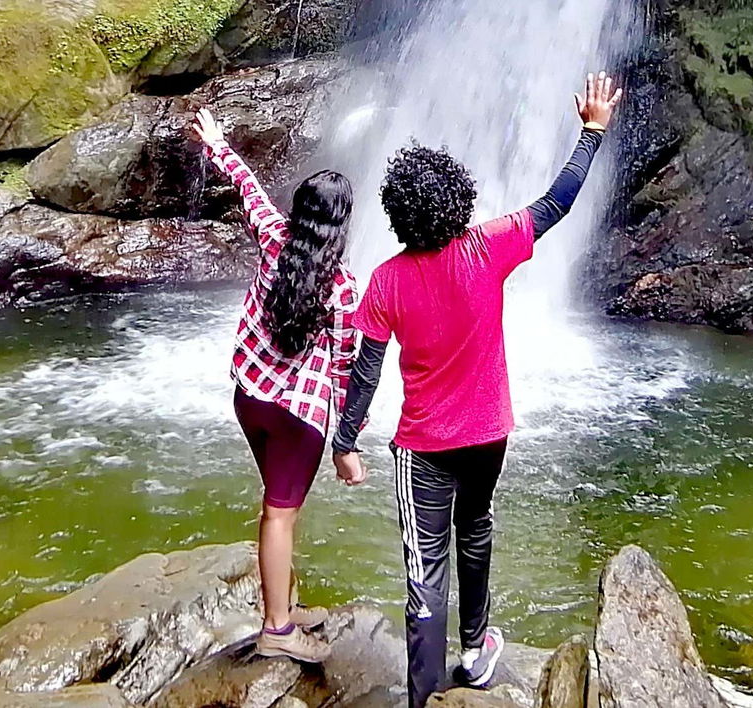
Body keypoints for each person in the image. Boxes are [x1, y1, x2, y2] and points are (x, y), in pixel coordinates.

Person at [330, 73, 625, 706]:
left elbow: (366, 369)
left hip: (425, 448)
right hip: (491, 433)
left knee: (423, 568)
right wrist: (591, 131)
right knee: (477, 528)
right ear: (459, 200)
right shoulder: (487, 247)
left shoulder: (385, 282)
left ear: (399, 212)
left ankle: (424, 694)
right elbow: (557, 203)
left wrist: (344, 440)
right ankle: (476, 649)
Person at [193, 108, 360, 663]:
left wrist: (216, 141)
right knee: (281, 512)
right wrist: (347, 445)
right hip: (297, 416)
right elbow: (344, 368)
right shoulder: (342, 287)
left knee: (278, 505)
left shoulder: (272, 237)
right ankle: (278, 630)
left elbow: (246, 187)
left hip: (249, 395)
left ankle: (282, 595)